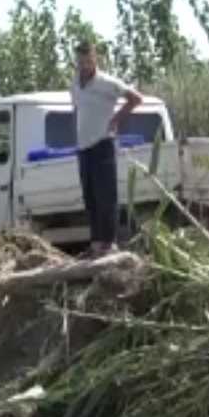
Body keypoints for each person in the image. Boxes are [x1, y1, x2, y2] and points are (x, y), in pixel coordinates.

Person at [72, 40, 142, 257]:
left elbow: (136, 99)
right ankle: (96, 243)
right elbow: (75, 110)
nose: (85, 65)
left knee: (106, 197)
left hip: (103, 143)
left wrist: (116, 119)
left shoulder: (106, 82)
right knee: (90, 197)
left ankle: (110, 243)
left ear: (95, 60)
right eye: (81, 61)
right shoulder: (75, 84)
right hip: (84, 148)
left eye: (88, 61)